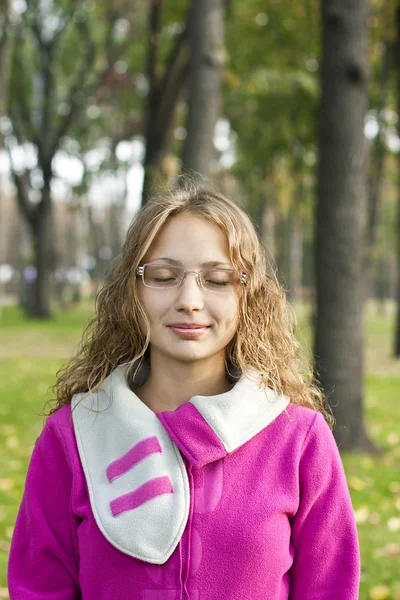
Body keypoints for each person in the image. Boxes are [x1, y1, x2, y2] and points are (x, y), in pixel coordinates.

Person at [8, 182, 360, 599]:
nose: (189, 300)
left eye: (216, 279)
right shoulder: (74, 436)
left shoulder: (298, 440)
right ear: (131, 290)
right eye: (163, 276)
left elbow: (330, 589)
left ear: (247, 294)